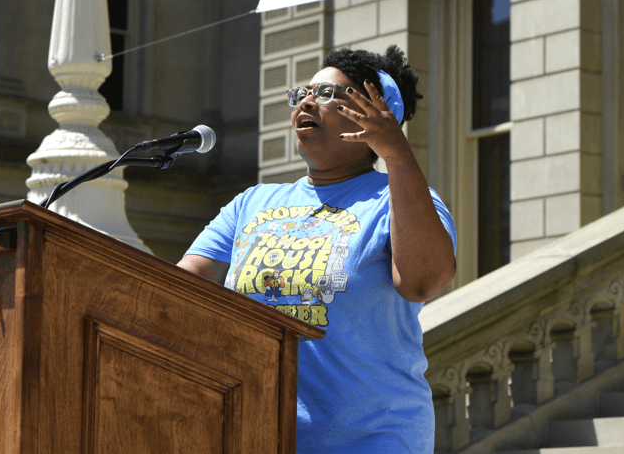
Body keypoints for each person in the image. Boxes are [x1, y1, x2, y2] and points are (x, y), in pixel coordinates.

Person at [179, 44, 457, 453]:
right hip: (258, 436)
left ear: (376, 115)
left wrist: (396, 152)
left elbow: (423, 282)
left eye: (327, 94)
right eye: (302, 94)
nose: (307, 101)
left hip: (372, 441)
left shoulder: (402, 200)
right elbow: (178, 290)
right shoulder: (251, 203)